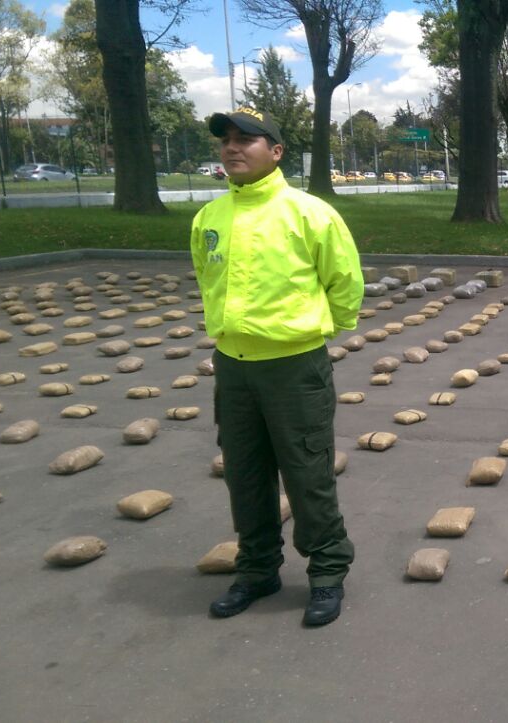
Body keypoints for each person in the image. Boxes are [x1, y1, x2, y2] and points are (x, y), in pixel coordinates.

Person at [191, 108, 364, 627]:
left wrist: (313, 330)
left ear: (277, 150)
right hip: (234, 367)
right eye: (226, 140)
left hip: (294, 368)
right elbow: (206, 277)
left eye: (246, 139)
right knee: (244, 474)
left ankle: (328, 573)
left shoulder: (309, 213)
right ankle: (258, 569)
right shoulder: (209, 218)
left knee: (308, 475)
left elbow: (344, 282)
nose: (232, 148)